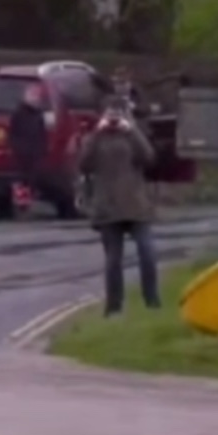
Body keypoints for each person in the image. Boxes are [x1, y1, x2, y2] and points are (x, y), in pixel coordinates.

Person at [78, 95, 159, 316]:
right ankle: (114, 307)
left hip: (136, 205)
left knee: (147, 252)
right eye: (110, 113)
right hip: (108, 206)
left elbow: (149, 158)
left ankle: (152, 301)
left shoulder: (132, 134)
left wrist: (132, 130)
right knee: (113, 259)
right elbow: (84, 164)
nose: (114, 118)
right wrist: (96, 133)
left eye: (118, 113)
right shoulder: (96, 137)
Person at [8, 83, 50, 218]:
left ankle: (25, 204)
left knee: (31, 179)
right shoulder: (18, 113)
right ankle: (22, 206)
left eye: (37, 97)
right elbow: (12, 132)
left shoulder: (38, 114)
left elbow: (42, 133)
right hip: (21, 152)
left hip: (34, 151)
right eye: (32, 96)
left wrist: (43, 148)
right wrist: (16, 147)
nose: (35, 99)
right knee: (21, 180)